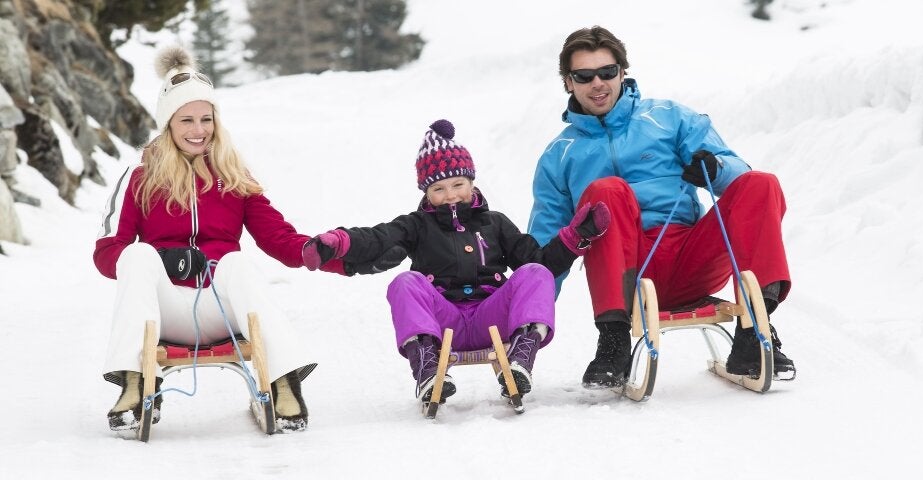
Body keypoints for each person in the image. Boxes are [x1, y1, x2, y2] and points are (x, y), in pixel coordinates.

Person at [92, 46, 402, 433]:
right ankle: (134, 381)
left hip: (221, 309)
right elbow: (107, 252)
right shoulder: (139, 179)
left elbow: (281, 239)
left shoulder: (233, 176)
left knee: (237, 262)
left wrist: (343, 258)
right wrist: (165, 258)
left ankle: (282, 379)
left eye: (207, 119)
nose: (198, 130)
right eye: (186, 120)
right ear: (168, 124)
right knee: (136, 255)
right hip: (163, 311)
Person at [528, 26, 795, 389]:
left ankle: (755, 333)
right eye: (584, 76)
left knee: (761, 183)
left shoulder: (669, 118)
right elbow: (547, 242)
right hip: (624, 272)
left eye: (607, 72)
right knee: (606, 191)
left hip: (689, 256)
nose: (598, 83)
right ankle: (613, 343)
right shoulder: (559, 155)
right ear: (568, 82)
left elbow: (737, 175)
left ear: (623, 71)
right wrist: (527, 318)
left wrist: (714, 169)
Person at [304, 119, 609, 403]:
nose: (450, 195)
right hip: (441, 322)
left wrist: (574, 237)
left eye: (457, 184)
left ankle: (520, 358)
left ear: (472, 183)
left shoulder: (495, 223)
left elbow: (541, 261)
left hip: (491, 318)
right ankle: (427, 367)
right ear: (427, 192)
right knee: (405, 283)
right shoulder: (417, 225)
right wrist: (340, 242)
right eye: (438, 188)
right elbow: (379, 238)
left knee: (535, 272)